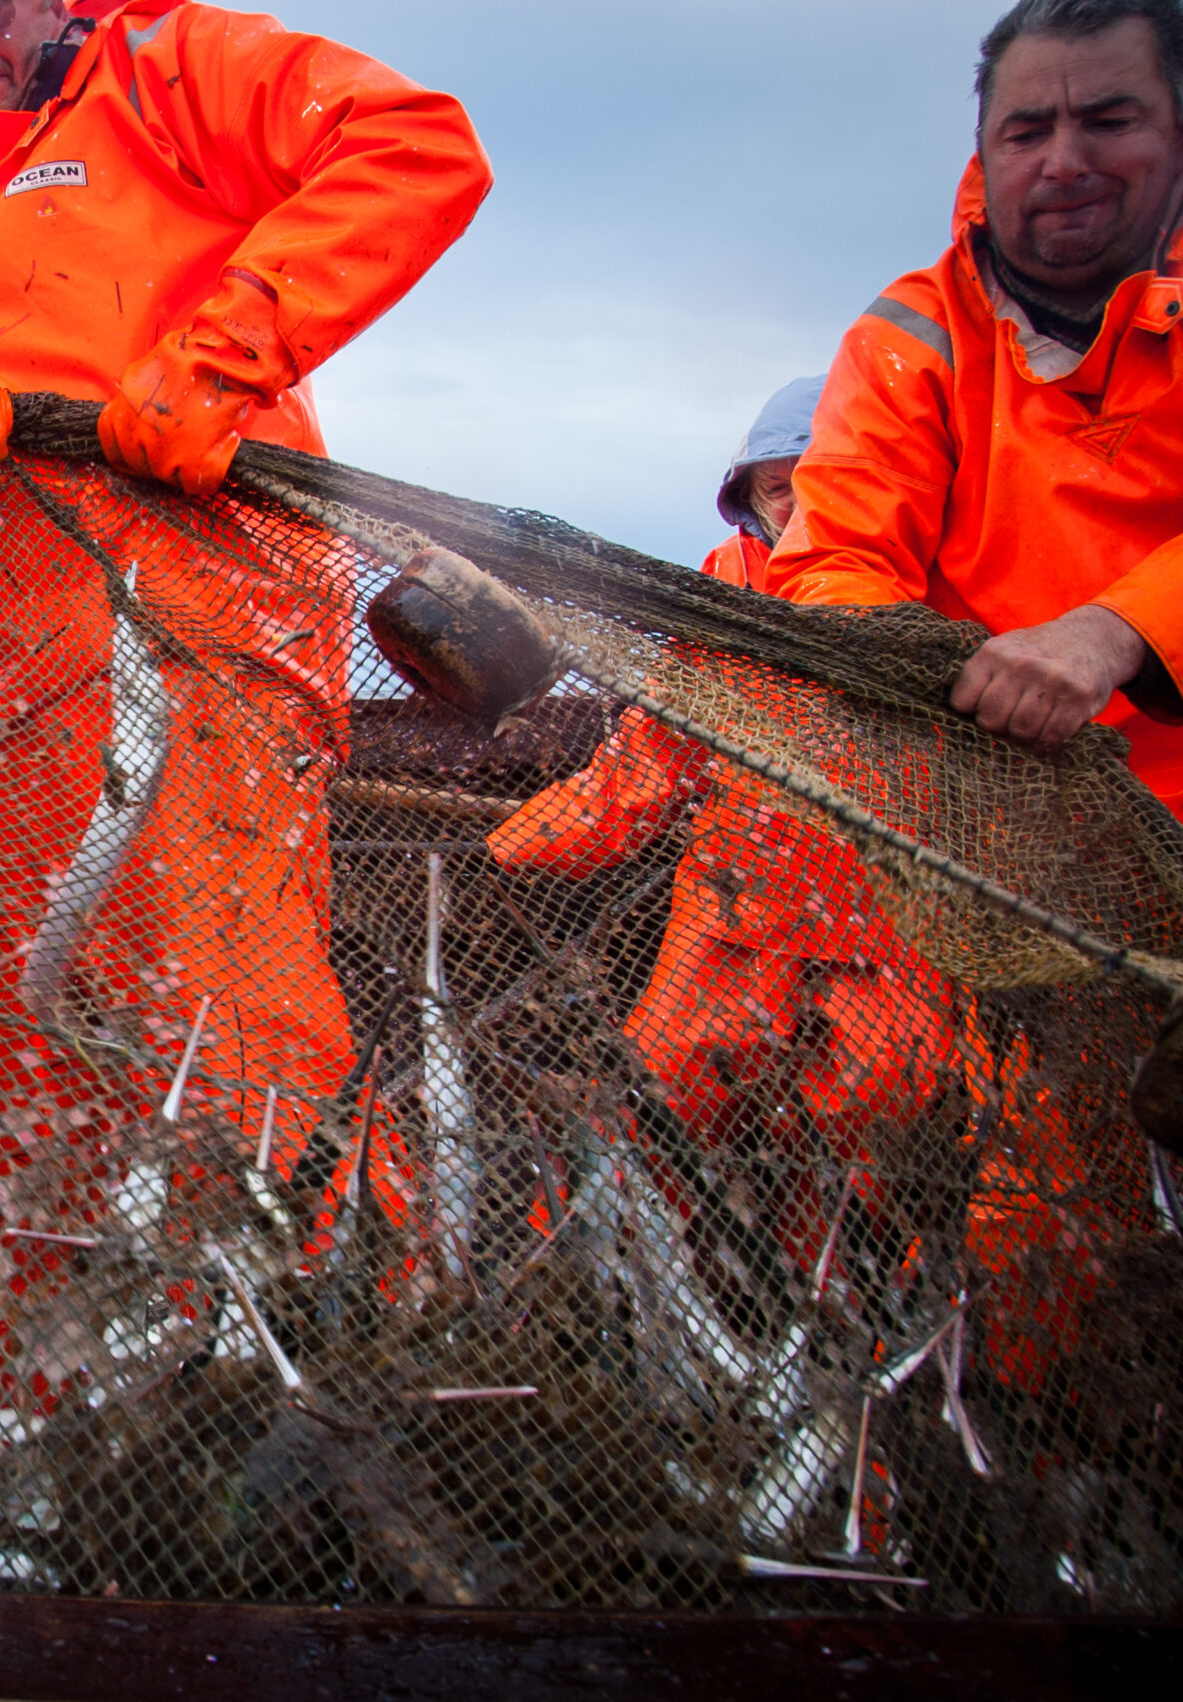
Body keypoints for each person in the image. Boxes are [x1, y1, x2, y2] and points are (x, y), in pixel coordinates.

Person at [0, 0, 488, 1406]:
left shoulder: (170, 78)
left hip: (201, 655)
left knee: (225, 1033)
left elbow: (412, 143)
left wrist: (218, 358)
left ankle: (307, 1382)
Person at [487, 377, 961, 1291]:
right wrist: (511, 848)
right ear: (750, 499)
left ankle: (843, 1338)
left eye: (831, 479)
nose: (804, 506)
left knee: (871, 1164)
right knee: (643, 1125)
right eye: (780, 488)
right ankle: (580, 1301)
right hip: (732, 925)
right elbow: (650, 759)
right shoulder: (724, 595)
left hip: (896, 948)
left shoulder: (942, 595)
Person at [769, 0, 1183, 816]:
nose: (1064, 161)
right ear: (985, 153)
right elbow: (834, 563)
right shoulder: (908, 334)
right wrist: (918, 676)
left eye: (1108, 120)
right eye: (1027, 132)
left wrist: (1110, 632)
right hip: (999, 828)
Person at [704, 375, 826, 593]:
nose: (799, 503)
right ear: (753, 501)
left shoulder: (902, 555)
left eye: (814, 481)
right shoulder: (726, 569)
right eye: (777, 489)